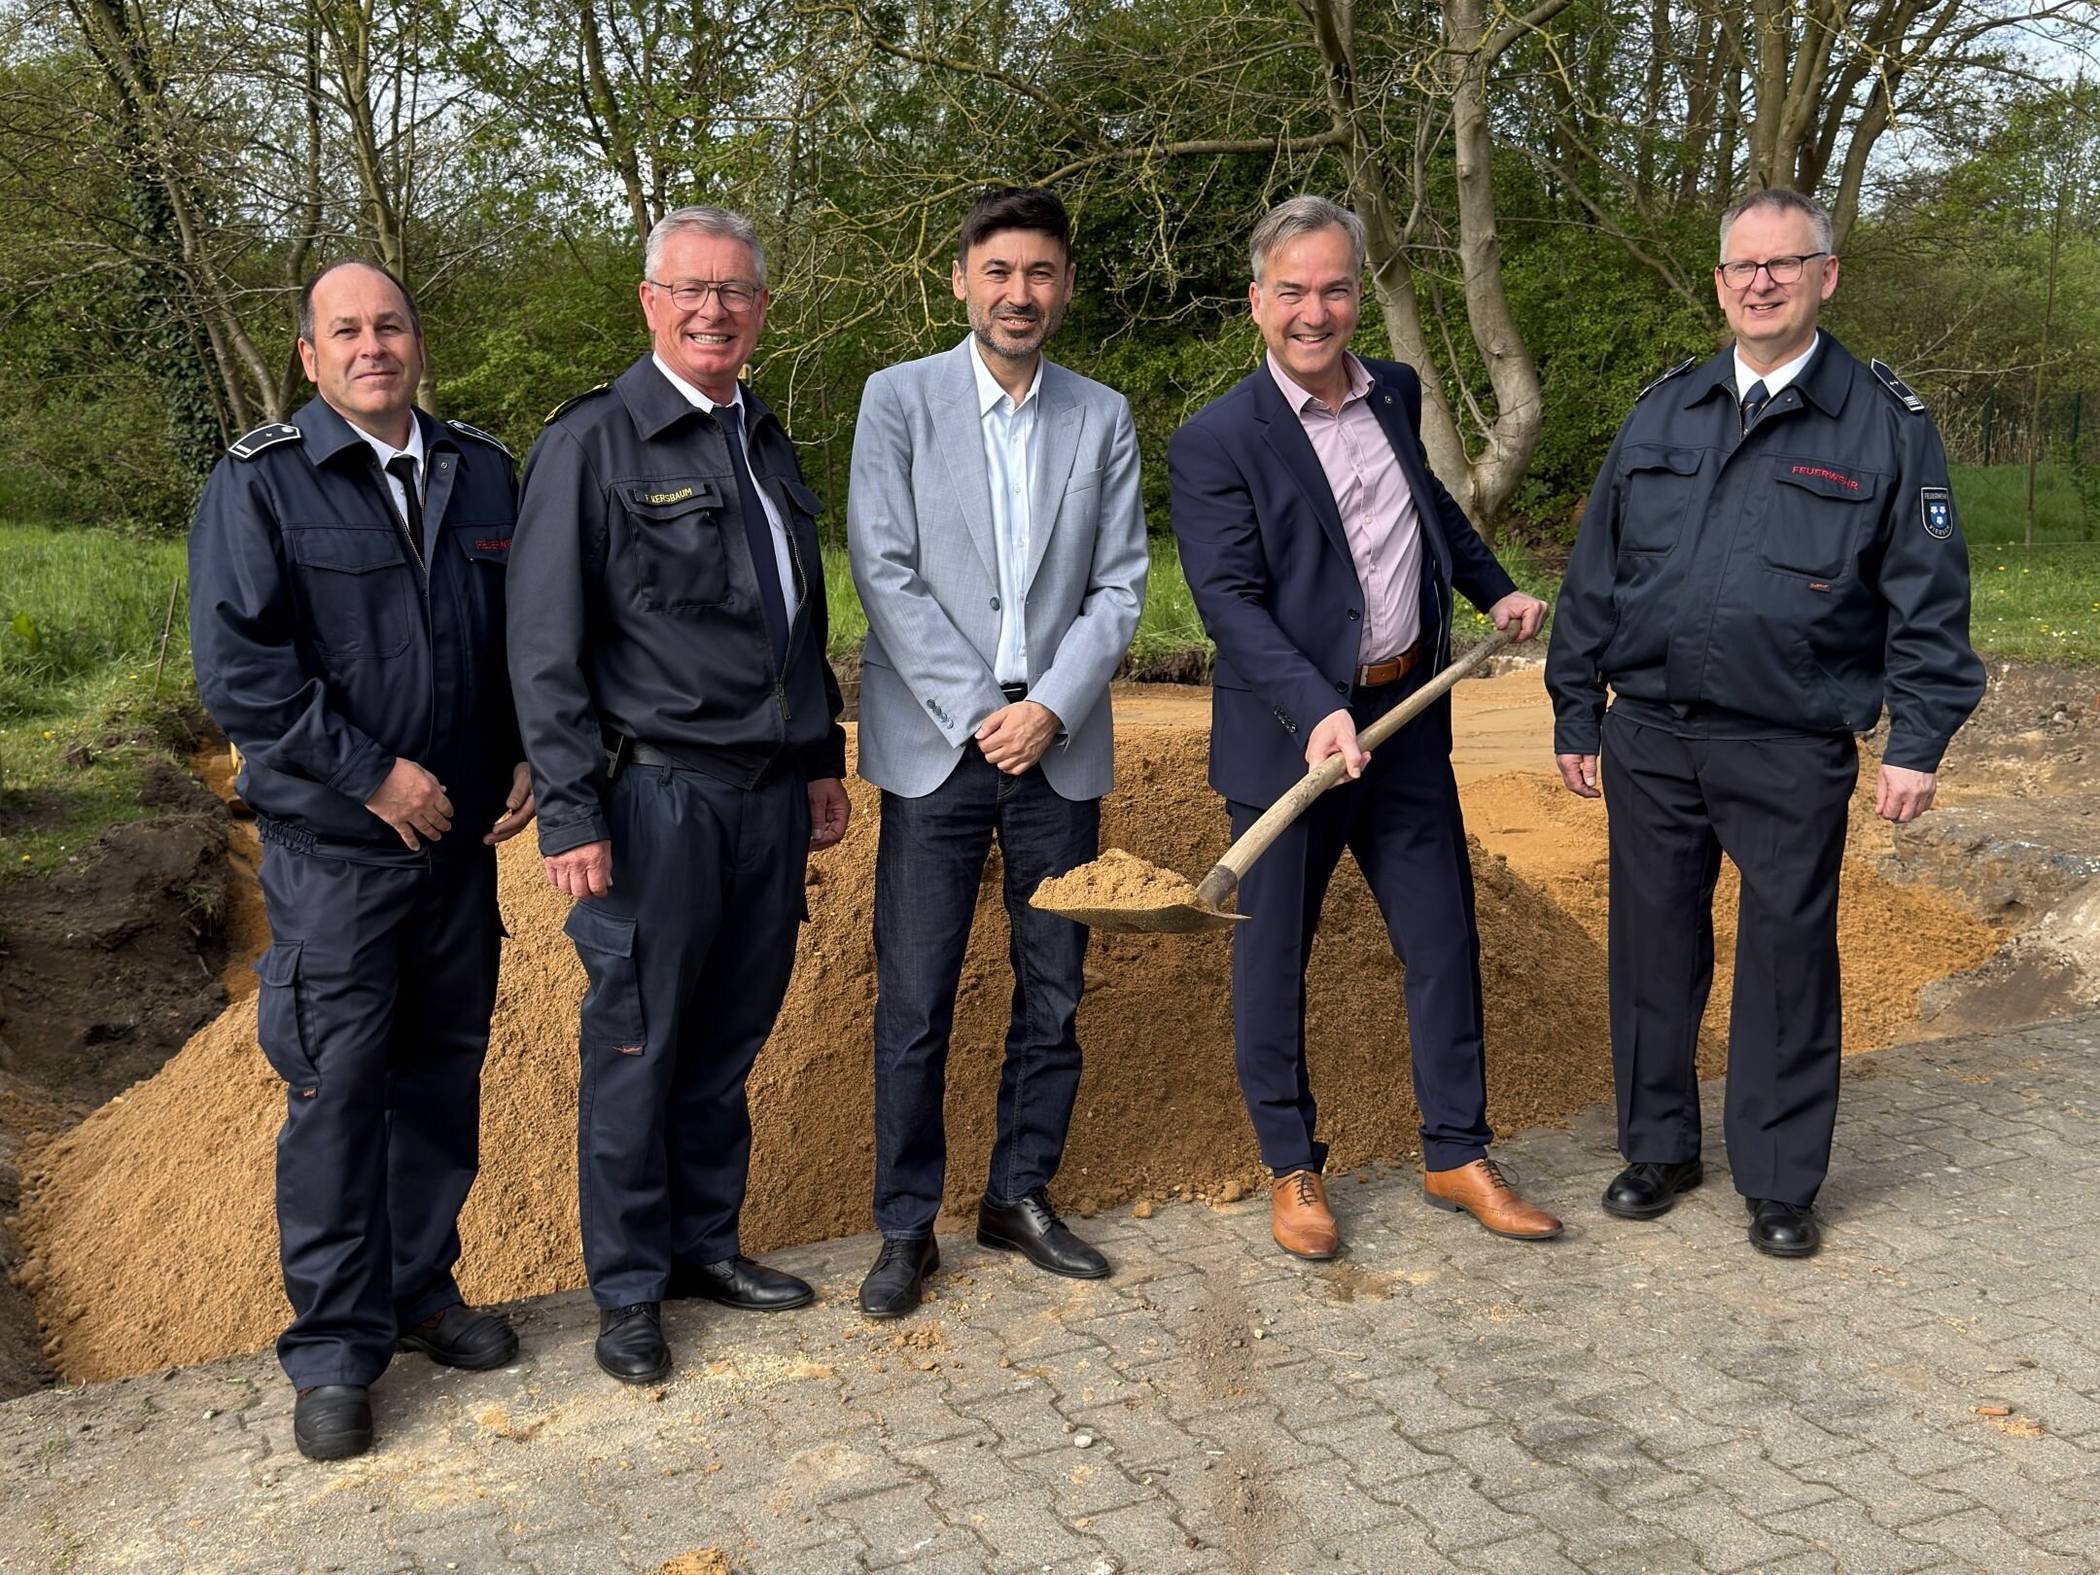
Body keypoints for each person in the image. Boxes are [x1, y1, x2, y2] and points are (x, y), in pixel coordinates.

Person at [1546, 187, 1985, 1257]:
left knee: (1787, 960)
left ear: (1825, 275)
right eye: (1742, 267)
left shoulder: (1883, 425)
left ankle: (1781, 1183)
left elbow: (1930, 597)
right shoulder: (1666, 409)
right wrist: (1574, 707)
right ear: (1720, 283)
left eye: (1784, 265)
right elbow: (1596, 572)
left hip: (1788, 741)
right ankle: (1658, 1149)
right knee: (1652, 951)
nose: (1761, 283)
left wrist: (1918, 741)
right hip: (1650, 732)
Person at [1168, 196, 1557, 1263]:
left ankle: (1455, 1152)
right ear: (1257, 302)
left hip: (1405, 721)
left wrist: (1494, 590)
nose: (1316, 310)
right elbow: (1230, 602)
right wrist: (1315, 706)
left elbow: (1424, 505)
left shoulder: (1394, 390)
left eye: (1335, 288)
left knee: (1442, 942)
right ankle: (1292, 1169)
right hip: (1290, 739)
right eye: (1292, 290)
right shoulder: (1215, 442)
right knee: (1274, 962)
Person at [189, 260, 531, 1462]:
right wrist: (374, 775)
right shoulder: (262, 485)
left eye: (389, 325)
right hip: (336, 857)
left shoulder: (484, 470)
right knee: (339, 1096)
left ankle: (422, 1294)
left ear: (417, 342)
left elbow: (526, 635)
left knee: (443, 1076)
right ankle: (336, 1350)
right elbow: (245, 674)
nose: (372, 346)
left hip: (457, 857)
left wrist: (535, 749)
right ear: (309, 355)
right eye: (347, 330)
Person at [507, 206, 849, 1384]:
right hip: (654, 803)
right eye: (691, 291)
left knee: (723, 1044)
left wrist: (820, 760)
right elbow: (543, 647)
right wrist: (568, 811)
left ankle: (707, 1247)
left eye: (737, 293)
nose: (715, 311)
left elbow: (798, 622)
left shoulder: (766, 436)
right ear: (649, 302)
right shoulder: (594, 445)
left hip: (763, 801)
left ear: (761, 310)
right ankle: (631, 1293)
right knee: (638, 1050)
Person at [846, 188, 1148, 1318]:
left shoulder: (1101, 416)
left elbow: (1122, 583)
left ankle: (1019, 1195)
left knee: (1055, 991)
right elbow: (882, 566)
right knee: (918, 999)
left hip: (1056, 750)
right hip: (939, 746)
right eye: (1000, 271)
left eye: (1041, 273)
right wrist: (984, 709)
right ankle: (904, 1227)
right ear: (962, 280)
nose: (1020, 293)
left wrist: (1052, 708)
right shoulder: (899, 401)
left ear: (1065, 288)